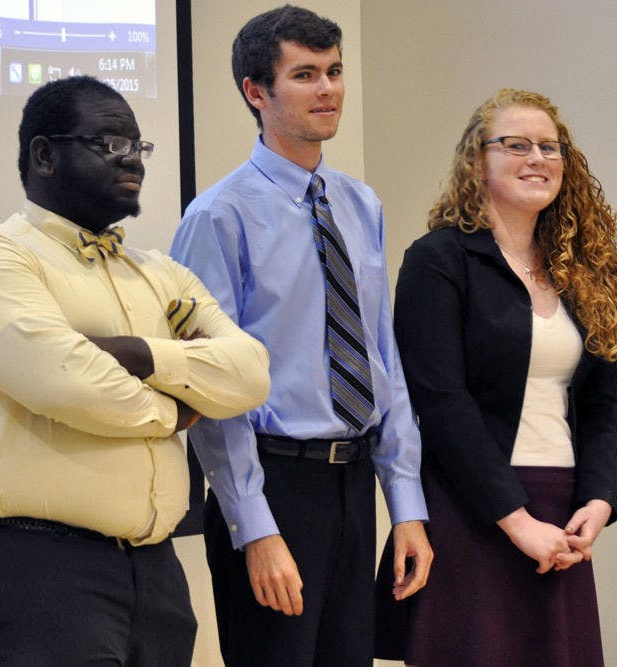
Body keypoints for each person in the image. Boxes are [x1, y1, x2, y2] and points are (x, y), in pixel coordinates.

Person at [0, 75, 271, 666]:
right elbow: (78, 385)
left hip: (155, 568)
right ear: (44, 155)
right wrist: (179, 408)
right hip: (38, 567)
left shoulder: (156, 271)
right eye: (110, 143)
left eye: (139, 145)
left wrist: (141, 355)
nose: (132, 159)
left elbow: (250, 373)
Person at [169, 5, 431, 666]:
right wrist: (254, 528)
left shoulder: (359, 203)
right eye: (306, 74)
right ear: (256, 92)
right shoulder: (217, 217)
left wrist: (406, 503)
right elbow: (210, 389)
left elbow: (381, 358)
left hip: (355, 482)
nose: (329, 90)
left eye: (336, 72)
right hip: (272, 481)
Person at [373, 89, 617, 667]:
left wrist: (598, 500)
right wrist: (516, 520)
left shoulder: (583, 267)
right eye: (516, 145)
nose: (537, 158)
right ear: (477, 161)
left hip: (562, 508)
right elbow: (443, 405)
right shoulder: (439, 259)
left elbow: (601, 401)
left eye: (550, 147)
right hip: (472, 507)